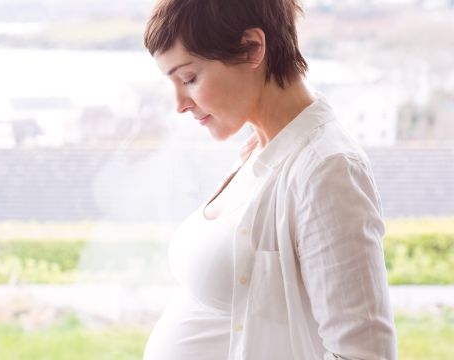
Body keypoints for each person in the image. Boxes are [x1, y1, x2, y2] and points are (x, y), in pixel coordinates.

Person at [141, 0, 397, 359]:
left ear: (251, 48)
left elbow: (363, 353)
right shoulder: (262, 151)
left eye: (189, 78)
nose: (179, 103)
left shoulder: (328, 170)